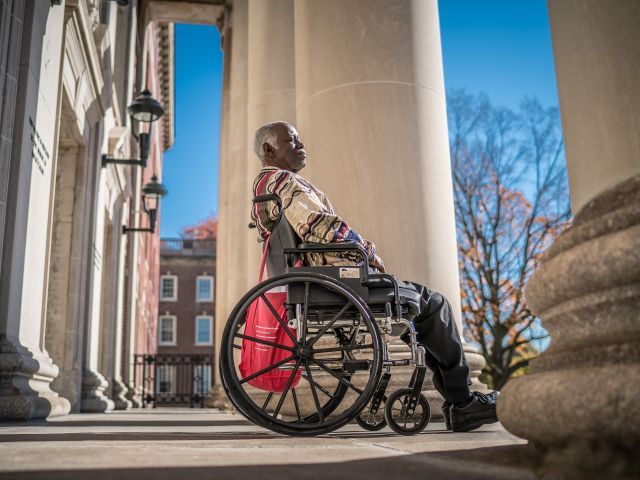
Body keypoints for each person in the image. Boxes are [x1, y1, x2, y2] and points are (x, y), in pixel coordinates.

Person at [250, 121, 498, 432]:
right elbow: (316, 224)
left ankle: (460, 401)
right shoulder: (283, 181)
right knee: (435, 304)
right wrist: (366, 249)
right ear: (269, 150)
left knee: (421, 309)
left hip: (314, 279)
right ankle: (462, 404)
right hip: (335, 278)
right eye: (292, 140)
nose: (301, 144)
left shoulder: (265, 186)